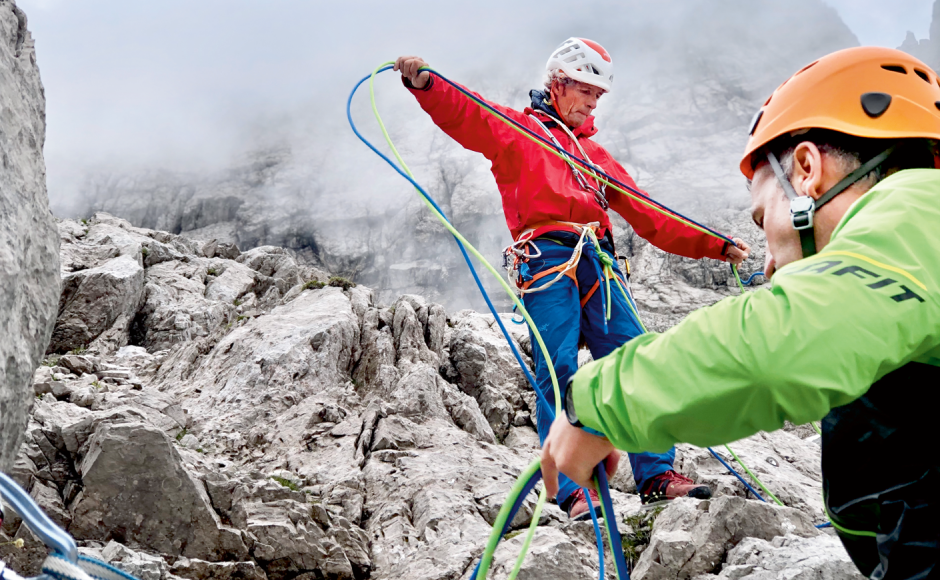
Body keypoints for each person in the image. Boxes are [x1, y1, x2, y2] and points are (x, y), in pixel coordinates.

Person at [539, 45, 940, 577]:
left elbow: (792, 339)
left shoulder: (920, 207)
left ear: (806, 170)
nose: (769, 265)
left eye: (760, 220)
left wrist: (598, 404)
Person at [395, 37, 750, 519]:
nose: (592, 102)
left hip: (598, 262)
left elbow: (650, 214)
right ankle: (570, 487)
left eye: (599, 96)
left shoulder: (596, 157)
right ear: (558, 84)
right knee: (557, 366)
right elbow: (471, 114)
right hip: (545, 259)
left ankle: (656, 475)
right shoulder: (520, 131)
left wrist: (713, 243)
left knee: (636, 360)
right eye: (586, 90)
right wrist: (427, 84)